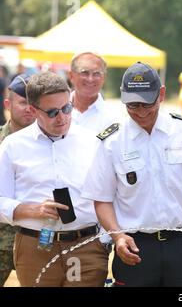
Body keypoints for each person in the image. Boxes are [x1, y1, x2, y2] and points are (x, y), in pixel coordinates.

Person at [81, 62, 182, 287]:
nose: (141, 112)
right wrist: (117, 237)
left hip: (180, 243)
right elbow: (102, 200)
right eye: (132, 105)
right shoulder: (112, 142)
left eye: (147, 104)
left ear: (161, 95)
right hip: (135, 247)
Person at [0, 72, 108, 287]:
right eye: (52, 112)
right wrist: (32, 210)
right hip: (34, 247)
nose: (62, 117)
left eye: (67, 108)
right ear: (32, 110)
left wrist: (105, 240)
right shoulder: (13, 146)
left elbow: (109, 195)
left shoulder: (92, 142)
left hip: (85, 246)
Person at [0, 74, 36, 286]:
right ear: (8, 104)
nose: (29, 108)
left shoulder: (51, 145)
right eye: (23, 102)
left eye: (33, 103)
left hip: (36, 241)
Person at [69, 52, 120, 133]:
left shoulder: (114, 118)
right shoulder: (54, 111)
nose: (90, 79)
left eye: (96, 73)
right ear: (71, 76)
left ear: (104, 78)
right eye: (84, 72)